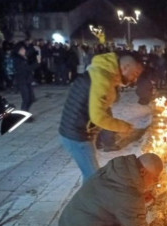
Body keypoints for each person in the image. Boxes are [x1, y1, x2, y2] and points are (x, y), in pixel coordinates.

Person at [58, 52, 143, 181]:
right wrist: (123, 127)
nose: (134, 79)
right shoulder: (103, 80)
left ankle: (89, 198)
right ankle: (88, 200)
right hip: (77, 135)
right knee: (93, 178)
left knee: (91, 175)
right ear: (125, 67)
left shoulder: (103, 71)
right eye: (134, 74)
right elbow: (98, 117)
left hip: (76, 129)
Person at [13, 42, 38, 118]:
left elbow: (30, 53)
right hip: (22, 81)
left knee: (31, 98)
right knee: (26, 98)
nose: (24, 50)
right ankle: (23, 115)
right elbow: (26, 69)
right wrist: (37, 64)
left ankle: (25, 112)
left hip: (27, 80)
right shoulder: (18, 59)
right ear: (19, 51)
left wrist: (35, 50)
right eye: (22, 49)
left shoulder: (23, 58)